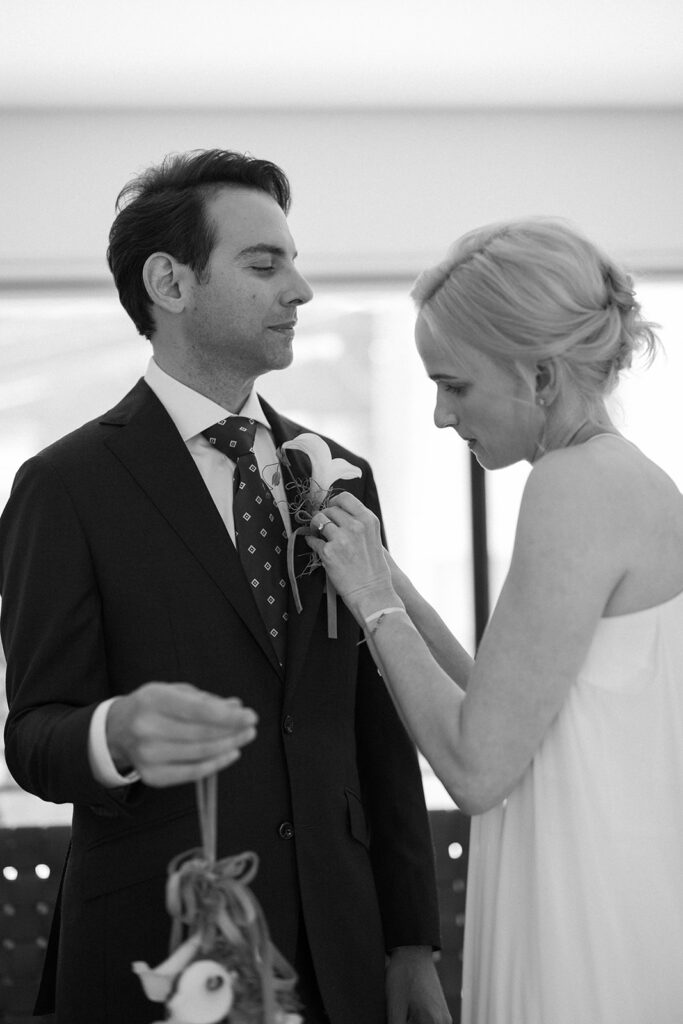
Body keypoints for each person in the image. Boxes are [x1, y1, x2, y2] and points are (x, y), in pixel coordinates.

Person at [0, 149, 451, 1024]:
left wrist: (410, 943)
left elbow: (377, 729)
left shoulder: (338, 475)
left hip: (343, 954)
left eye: (293, 261)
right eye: (264, 263)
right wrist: (114, 732)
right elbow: (35, 736)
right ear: (169, 282)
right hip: (158, 948)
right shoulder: (64, 486)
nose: (300, 290)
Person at [305, 218, 683, 1024]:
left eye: (456, 385)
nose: (441, 416)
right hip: (614, 889)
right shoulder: (621, 479)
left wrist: (372, 603)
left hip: (584, 920)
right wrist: (387, 581)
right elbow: (508, 712)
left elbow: (476, 769)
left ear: (540, 376)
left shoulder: (576, 486)